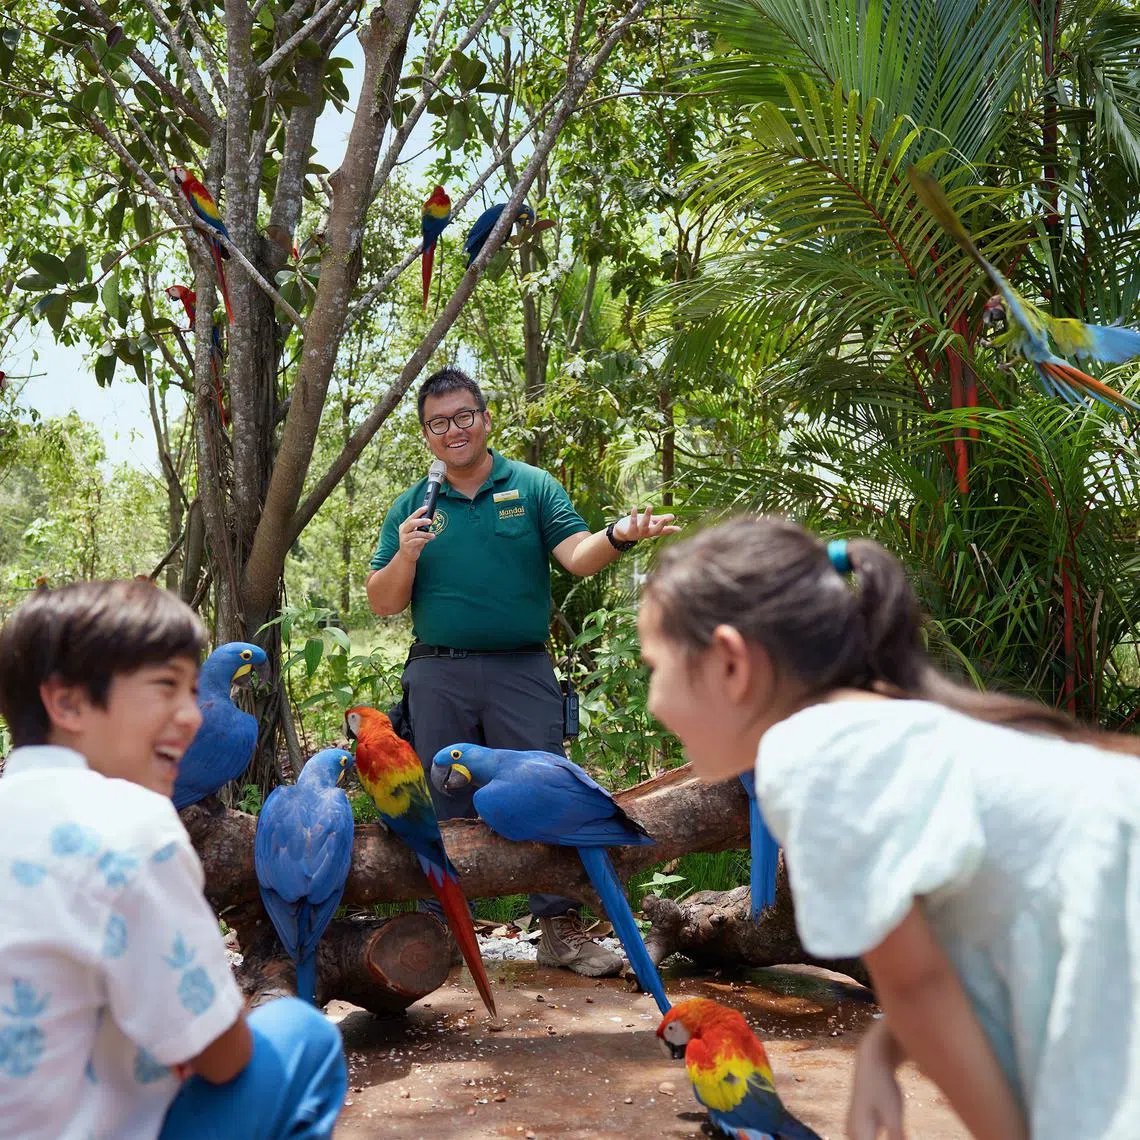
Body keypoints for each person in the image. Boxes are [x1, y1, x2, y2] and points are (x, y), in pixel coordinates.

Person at [637, 514, 1140, 1140]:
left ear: (732, 663)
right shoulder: (881, 726)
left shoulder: (810, 757)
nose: (654, 700)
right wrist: (881, 1052)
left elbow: (923, 992)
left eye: (656, 666)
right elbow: (931, 969)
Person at [0, 579, 346, 1140]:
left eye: (191, 691)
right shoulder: (136, 828)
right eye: (166, 689)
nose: (190, 718)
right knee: (304, 1035)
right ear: (65, 701)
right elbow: (223, 1056)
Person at [367, 366, 678, 977]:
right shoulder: (412, 506)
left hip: (522, 671)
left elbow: (578, 557)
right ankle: (442, 929)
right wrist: (406, 552)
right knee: (441, 805)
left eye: (462, 417)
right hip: (438, 674)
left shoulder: (532, 487)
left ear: (485, 419)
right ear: (427, 437)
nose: (452, 431)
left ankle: (559, 928)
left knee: (545, 796)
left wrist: (618, 534)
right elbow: (383, 601)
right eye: (437, 424)